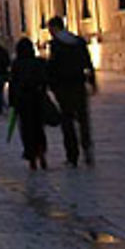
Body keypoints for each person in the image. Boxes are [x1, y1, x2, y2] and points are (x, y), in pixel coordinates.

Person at [46, 16, 97, 167]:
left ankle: (72, 156)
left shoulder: (56, 44)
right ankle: (87, 148)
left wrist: (51, 85)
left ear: (55, 28)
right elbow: (88, 62)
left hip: (64, 88)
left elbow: (53, 67)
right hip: (79, 85)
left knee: (67, 122)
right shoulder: (78, 41)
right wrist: (92, 81)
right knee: (83, 119)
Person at [9, 37, 50, 170]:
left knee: (27, 129)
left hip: (23, 102)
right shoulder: (39, 62)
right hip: (37, 99)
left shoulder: (17, 64)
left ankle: (31, 157)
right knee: (39, 128)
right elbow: (45, 80)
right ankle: (42, 153)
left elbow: (13, 84)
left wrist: (12, 102)